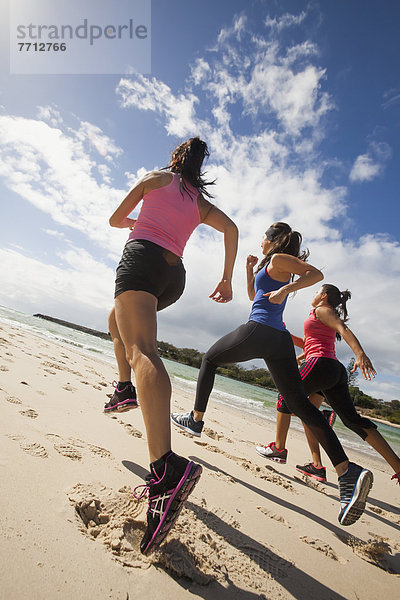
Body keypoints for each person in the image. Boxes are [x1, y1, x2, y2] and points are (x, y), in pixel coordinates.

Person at [171, 223, 374, 526]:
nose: (260, 241)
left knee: (210, 360)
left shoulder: (280, 261)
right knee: (300, 405)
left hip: (262, 330)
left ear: (275, 240)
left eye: (264, 237)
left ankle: (196, 420)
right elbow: (255, 295)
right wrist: (249, 270)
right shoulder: (268, 264)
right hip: (278, 341)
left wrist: (285, 289)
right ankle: (347, 472)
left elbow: (316, 275)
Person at [110, 137, 238, 555]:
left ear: (175, 158)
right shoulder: (199, 202)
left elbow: (115, 218)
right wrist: (226, 277)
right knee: (118, 321)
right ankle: (125, 387)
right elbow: (232, 229)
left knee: (142, 347)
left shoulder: (155, 177)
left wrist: (133, 224)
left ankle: (165, 467)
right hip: (174, 276)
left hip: (142, 258)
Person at [256, 284, 400, 486]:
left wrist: (360, 354)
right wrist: (286, 335)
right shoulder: (318, 316)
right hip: (334, 371)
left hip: (320, 365)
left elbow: (344, 328)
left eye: (316, 291)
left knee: (285, 397)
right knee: (350, 420)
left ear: (323, 296)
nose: (313, 295)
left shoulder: (321, 310)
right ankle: (396, 467)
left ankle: (278, 449)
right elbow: (309, 343)